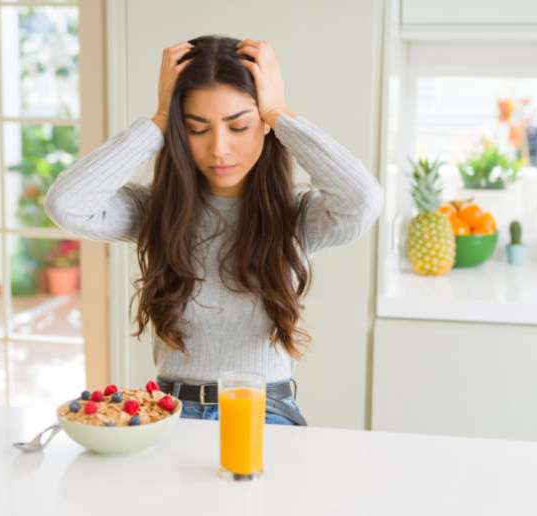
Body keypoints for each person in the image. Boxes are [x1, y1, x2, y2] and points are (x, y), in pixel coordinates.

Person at [43, 35, 384, 426]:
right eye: (197, 128)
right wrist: (157, 122)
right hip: (170, 411)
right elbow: (66, 205)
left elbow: (363, 200)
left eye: (239, 126)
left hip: (264, 410)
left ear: (265, 127)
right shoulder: (156, 211)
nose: (219, 149)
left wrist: (279, 112)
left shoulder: (297, 215)